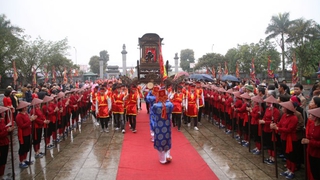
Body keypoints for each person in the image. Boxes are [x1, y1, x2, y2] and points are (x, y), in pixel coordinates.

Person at [270, 101, 298, 179]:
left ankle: (292, 170)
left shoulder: (294, 118)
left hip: (291, 139)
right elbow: (280, 123)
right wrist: (275, 125)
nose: (282, 108)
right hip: (284, 137)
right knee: (286, 155)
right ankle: (288, 169)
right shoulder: (284, 115)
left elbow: (289, 129)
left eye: (283, 107)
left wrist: (278, 128)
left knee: (291, 155)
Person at [152, 89, 173, 164]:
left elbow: (153, 113)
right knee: (167, 139)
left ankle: (162, 159)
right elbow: (171, 109)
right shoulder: (170, 105)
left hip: (158, 126)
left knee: (160, 140)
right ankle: (167, 155)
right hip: (167, 125)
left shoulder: (155, 106)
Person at [15, 101, 37, 168]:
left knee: (27, 147)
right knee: (22, 147)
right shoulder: (19, 116)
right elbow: (22, 126)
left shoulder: (26, 114)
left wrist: (31, 119)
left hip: (28, 132)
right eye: (26, 107)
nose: (27, 107)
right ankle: (21, 161)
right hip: (23, 134)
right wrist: (30, 120)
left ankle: (25, 159)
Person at [0, 106, 14, 179]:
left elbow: (5, 129)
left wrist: (9, 129)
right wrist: (6, 131)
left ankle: (2, 174)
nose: (3, 114)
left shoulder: (2, 121)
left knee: (4, 159)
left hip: (5, 142)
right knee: (1, 160)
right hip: (1, 143)